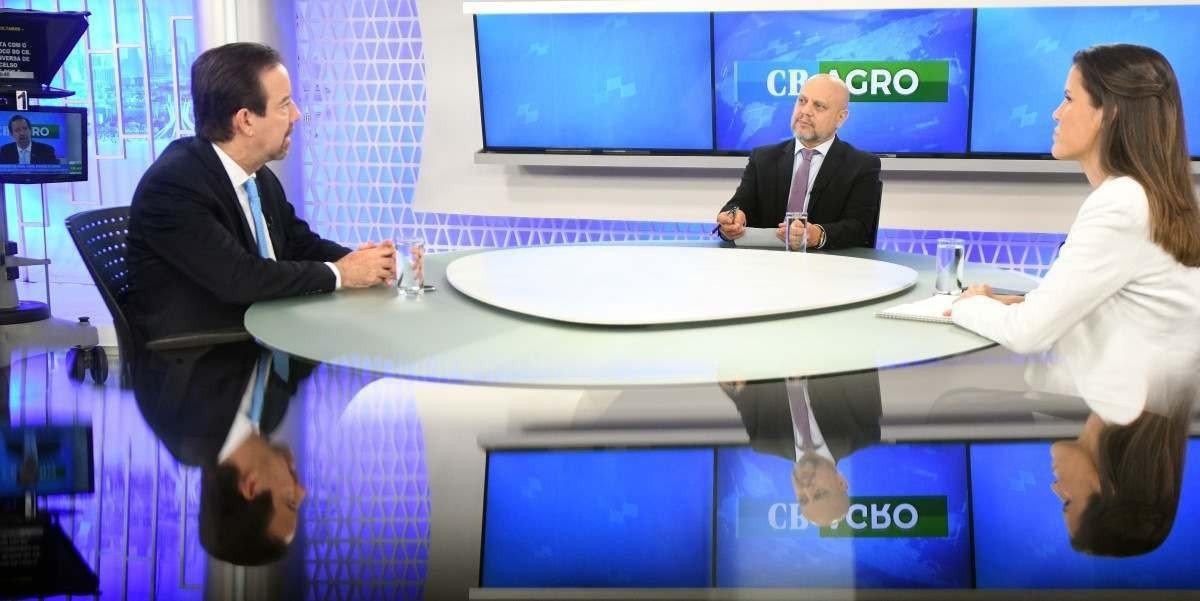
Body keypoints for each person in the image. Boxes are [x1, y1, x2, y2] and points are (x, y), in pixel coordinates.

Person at [949, 44, 1200, 426]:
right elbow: (1118, 303)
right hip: (1147, 411)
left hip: (1114, 414)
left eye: (1068, 99)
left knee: (955, 401)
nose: (1056, 113)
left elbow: (1028, 334)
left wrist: (966, 304)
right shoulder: (1149, 195)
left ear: (1109, 114)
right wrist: (1023, 303)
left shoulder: (1121, 202)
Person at [128, 42, 401, 342]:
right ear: (245, 120)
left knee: (377, 334)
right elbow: (240, 278)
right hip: (211, 354)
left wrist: (368, 263)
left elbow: (300, 244)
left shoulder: (256, 174)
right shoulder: (173, 187)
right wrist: (342, 273)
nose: (296, 115)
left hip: (268, 331)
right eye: (284, 105)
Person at [133, 340, 312, 565]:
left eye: (290, 501)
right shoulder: (271, 415)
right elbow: (302, 355)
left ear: (252, 486)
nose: (302, 491)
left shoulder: (181, 421)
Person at [715, 74, 882, 250]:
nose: (805, 111)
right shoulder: (763, 158)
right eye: (802, 101)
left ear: (840, 118)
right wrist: (731, 219)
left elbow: (859, 227)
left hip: (828, 263)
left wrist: (818, 235)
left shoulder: (862, 165)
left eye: (818, 106)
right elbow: (739, 204)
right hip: (767, 262)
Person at [721, 370, 882, 527]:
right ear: (841, 483)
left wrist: (731, 384)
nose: (806, 489)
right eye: (819, 493)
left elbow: (738, 390)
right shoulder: (862, 431)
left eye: (803, 499)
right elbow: (856, 362)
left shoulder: (764, 439)